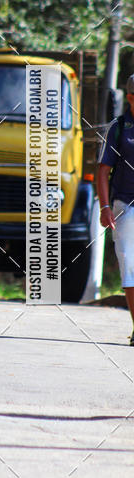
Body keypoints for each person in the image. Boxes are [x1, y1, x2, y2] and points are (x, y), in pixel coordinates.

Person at [97, 73, 134, 346]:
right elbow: (102, 171)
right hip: (124, 206)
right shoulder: (119, 127)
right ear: (131, 98)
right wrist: (105, 207)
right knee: (129, 267)